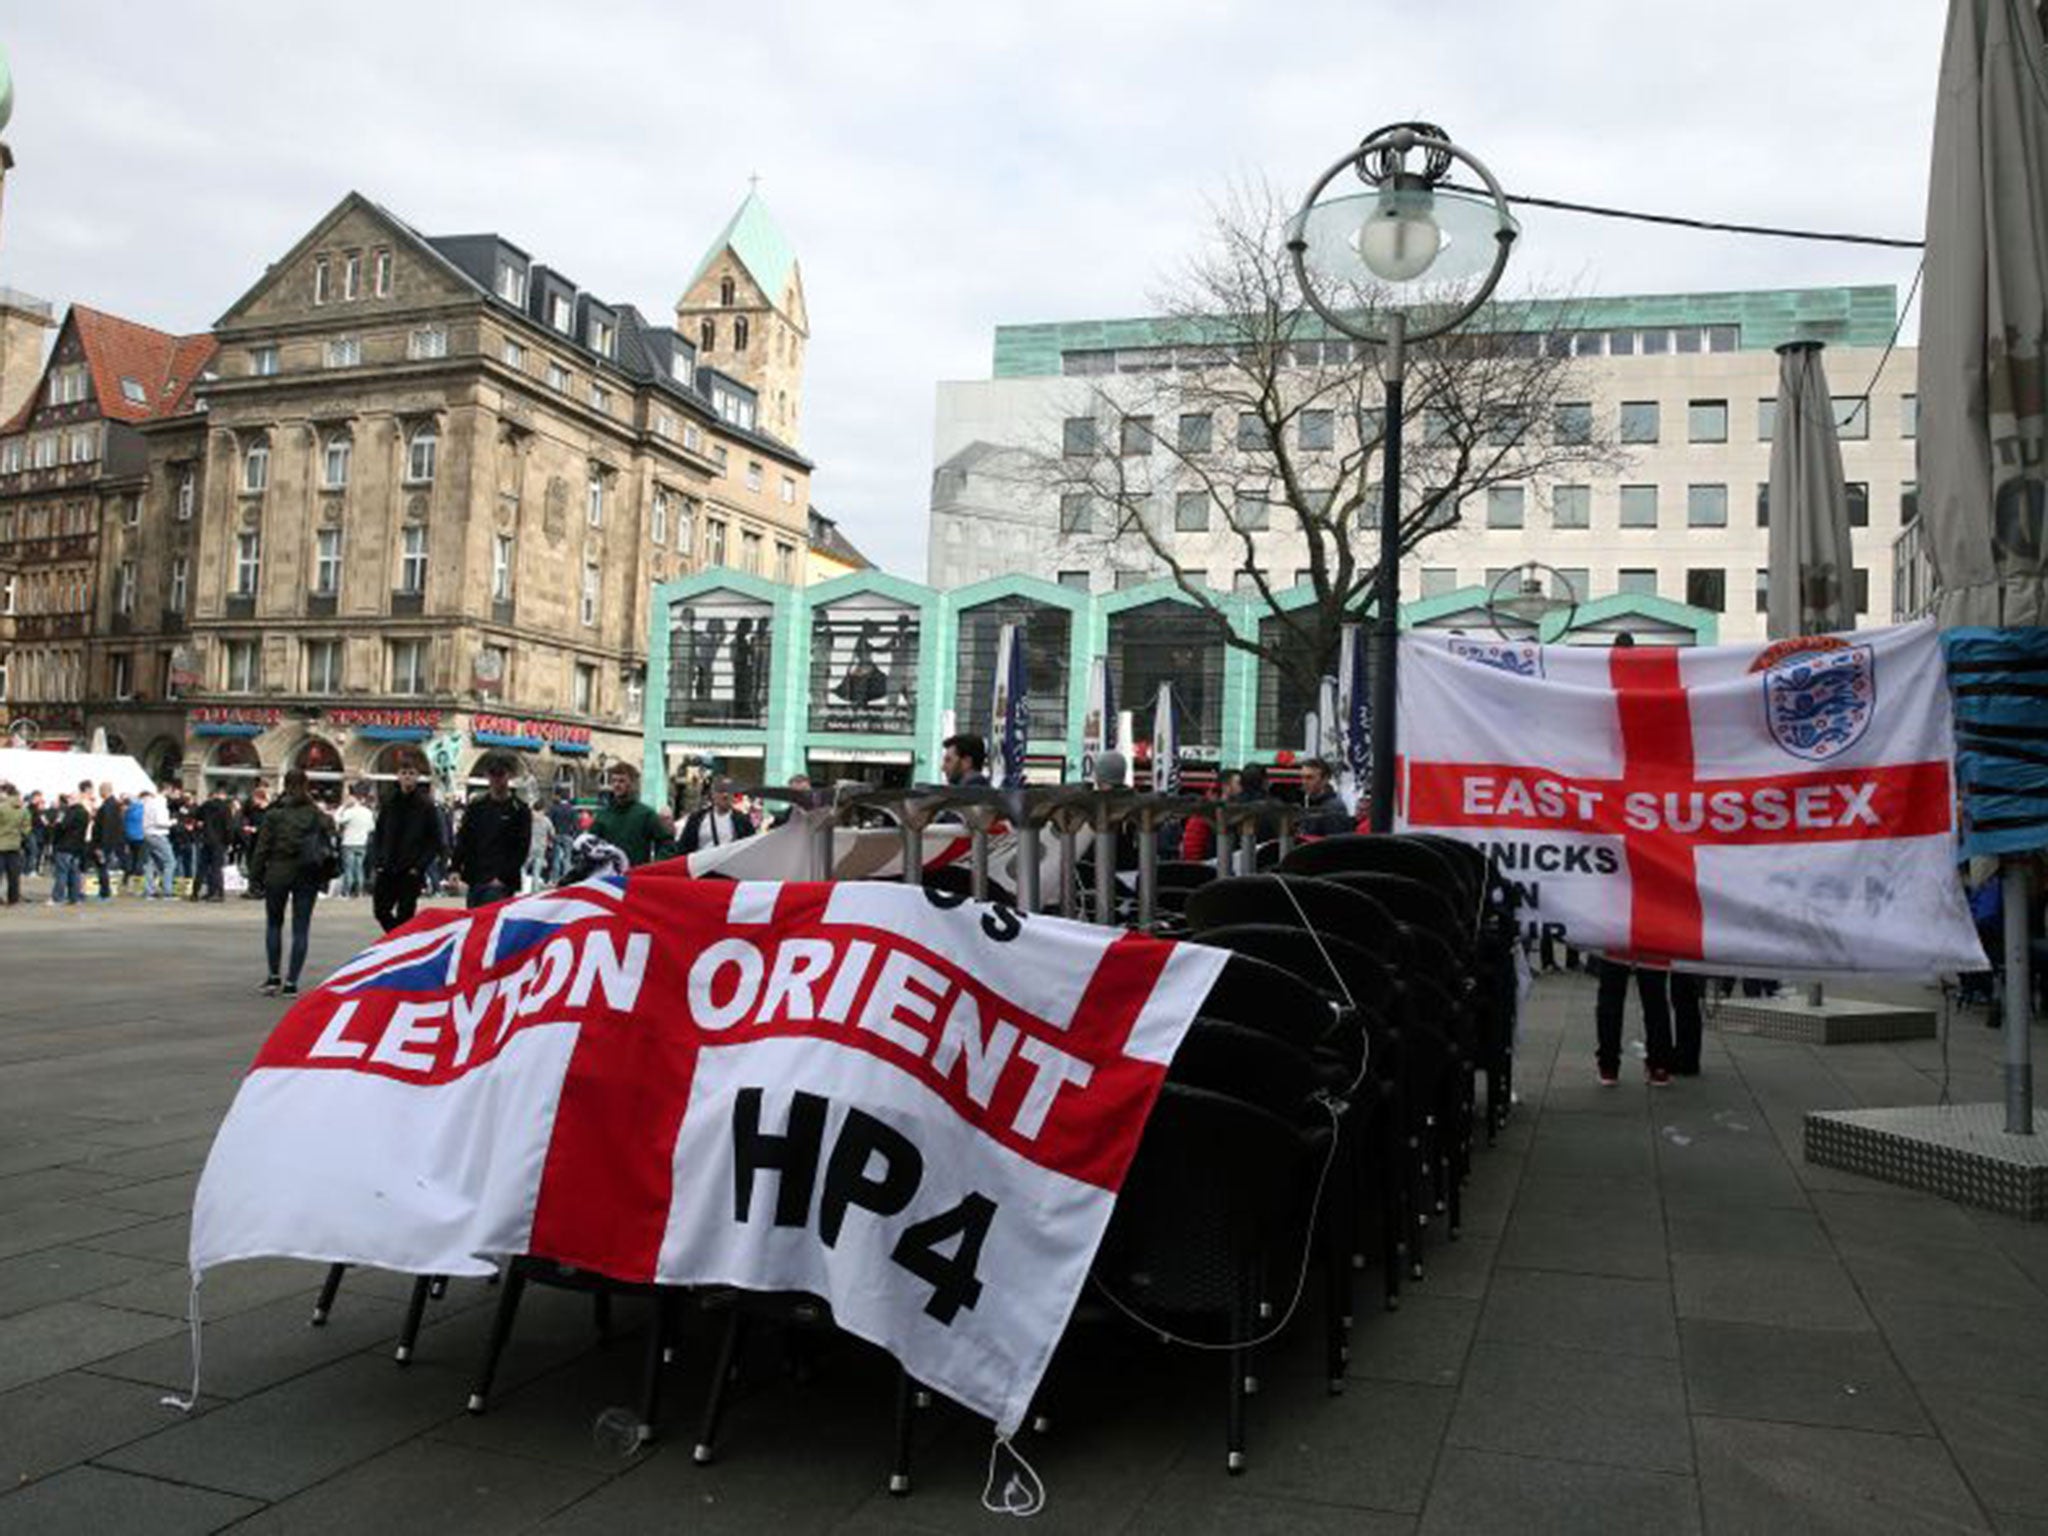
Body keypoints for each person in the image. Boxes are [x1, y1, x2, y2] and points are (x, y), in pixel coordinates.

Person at [248, 768, 337, 997]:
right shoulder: (316, 814)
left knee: (274, 924)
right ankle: (292, 982)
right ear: (306, 786)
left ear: (285, 785)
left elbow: (262, 849)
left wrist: (254, 877)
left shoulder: (275, 815)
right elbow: (330, 837)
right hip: (307, 873)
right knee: (301, 928)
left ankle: (273, 977)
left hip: (278, 870)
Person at [370, 759, 446, 932]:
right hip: (387, 866)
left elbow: (434, 840)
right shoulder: (389, 802)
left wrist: (419, 867)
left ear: (417, 777)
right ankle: (398, 937)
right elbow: (379, 833)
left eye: (411, 773)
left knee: (406, 914)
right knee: (381, 910)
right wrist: (378, 861)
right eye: (404, 773)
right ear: (398, 776)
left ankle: (399, 944)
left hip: (410, 870)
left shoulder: (426, 805)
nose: (407, 777)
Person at [453, 759, 532, 908]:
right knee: (475, 923)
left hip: (501, 881)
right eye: (493, 774)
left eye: (501, 774)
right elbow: (464, 839)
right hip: (476, 877)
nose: (497, 779)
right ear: (487, 776)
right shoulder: (476, 807)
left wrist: (503, 877)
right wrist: (455, 868)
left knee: (491, 924)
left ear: (509, 776)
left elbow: (522, 847)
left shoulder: (519, 810)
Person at [591, 762, 664, 866]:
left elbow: (665, 842)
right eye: (614, 781)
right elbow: (590, 842)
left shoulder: (645, 814)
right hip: (609, 876)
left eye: (622, 781)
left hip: (636, 875)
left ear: (632, 784)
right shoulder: (604, 815)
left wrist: (656, 864)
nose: (617, 785)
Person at [679, 776, 755, 854]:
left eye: (729, 791)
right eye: (721, 791)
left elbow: (751, 848)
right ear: (713, 794)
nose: (725, 795)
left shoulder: (742, 821)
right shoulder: (697, 819)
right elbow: (684, 848)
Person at [50, 792, 90, 907]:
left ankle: (58, 897)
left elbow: (61, 827)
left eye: (70, 798)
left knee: (62, 873)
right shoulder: (85, 813)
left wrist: (56, 827)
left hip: (65, 846)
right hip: (78, 846)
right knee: (75, 872)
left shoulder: (68, 812)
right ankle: (75, 897)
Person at [196, 786, 235, 901]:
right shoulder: (225, 808)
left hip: (207, 839)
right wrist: (229, 842)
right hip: (220, 841)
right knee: (217, 868)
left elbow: (197, 816)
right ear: (223, 795)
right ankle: (218, 893)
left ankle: (196, 892)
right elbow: (228, 827)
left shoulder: (206, 805)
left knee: (202, 866)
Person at [334, 788, 375, 897]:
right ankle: (360, 892)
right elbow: (372, 827)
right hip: (362, 843)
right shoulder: (368, 812)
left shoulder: (350, 812)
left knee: (349, 868)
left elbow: (337, 819)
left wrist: (342, 807)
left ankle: (346, 892)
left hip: (349, 842)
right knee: (359, 868)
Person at [1297, 756, 1352, 837]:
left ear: (1325, 779)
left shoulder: (1334, 809)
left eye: (1310, 777)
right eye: (1302, 777)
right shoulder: (1310, 803)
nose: (1304, 782)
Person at [138, 788, 175, 899]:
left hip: (147, 834)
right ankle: (167, 891)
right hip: (158, 834)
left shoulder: (148, 803)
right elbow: (160, 822)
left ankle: (149, 891)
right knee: (170, 862)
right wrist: (172, 822)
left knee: (150, 863)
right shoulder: (160, 804)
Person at [90, 782, 124, 901]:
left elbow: (107, 827)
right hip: (109, 841)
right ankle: (104, 892)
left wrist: (101, 846)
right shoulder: (112, 804)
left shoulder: (109, 805)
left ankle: (105, 893)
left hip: (105, 842)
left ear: (104, 791)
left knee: (102, 867)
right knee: (103, 867)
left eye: (100, 790)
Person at [0, 781, 27, 906]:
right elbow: (27, 826)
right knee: (13, 874)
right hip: (15, 843)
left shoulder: (2, 807)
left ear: (4, 792)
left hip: (1, 843)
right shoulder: (22, 808)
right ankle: (13, 898)